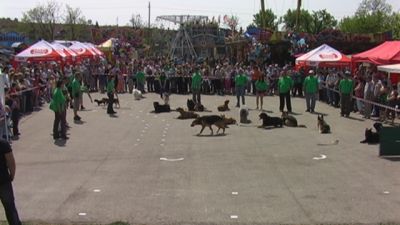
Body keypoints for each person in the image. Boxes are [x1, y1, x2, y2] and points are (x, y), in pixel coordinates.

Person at [0, 139, 22, 225]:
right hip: (4, 181)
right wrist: (12, 175)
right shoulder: (3, 143)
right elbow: (11, 163)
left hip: (4, 182)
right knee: (10, 208)